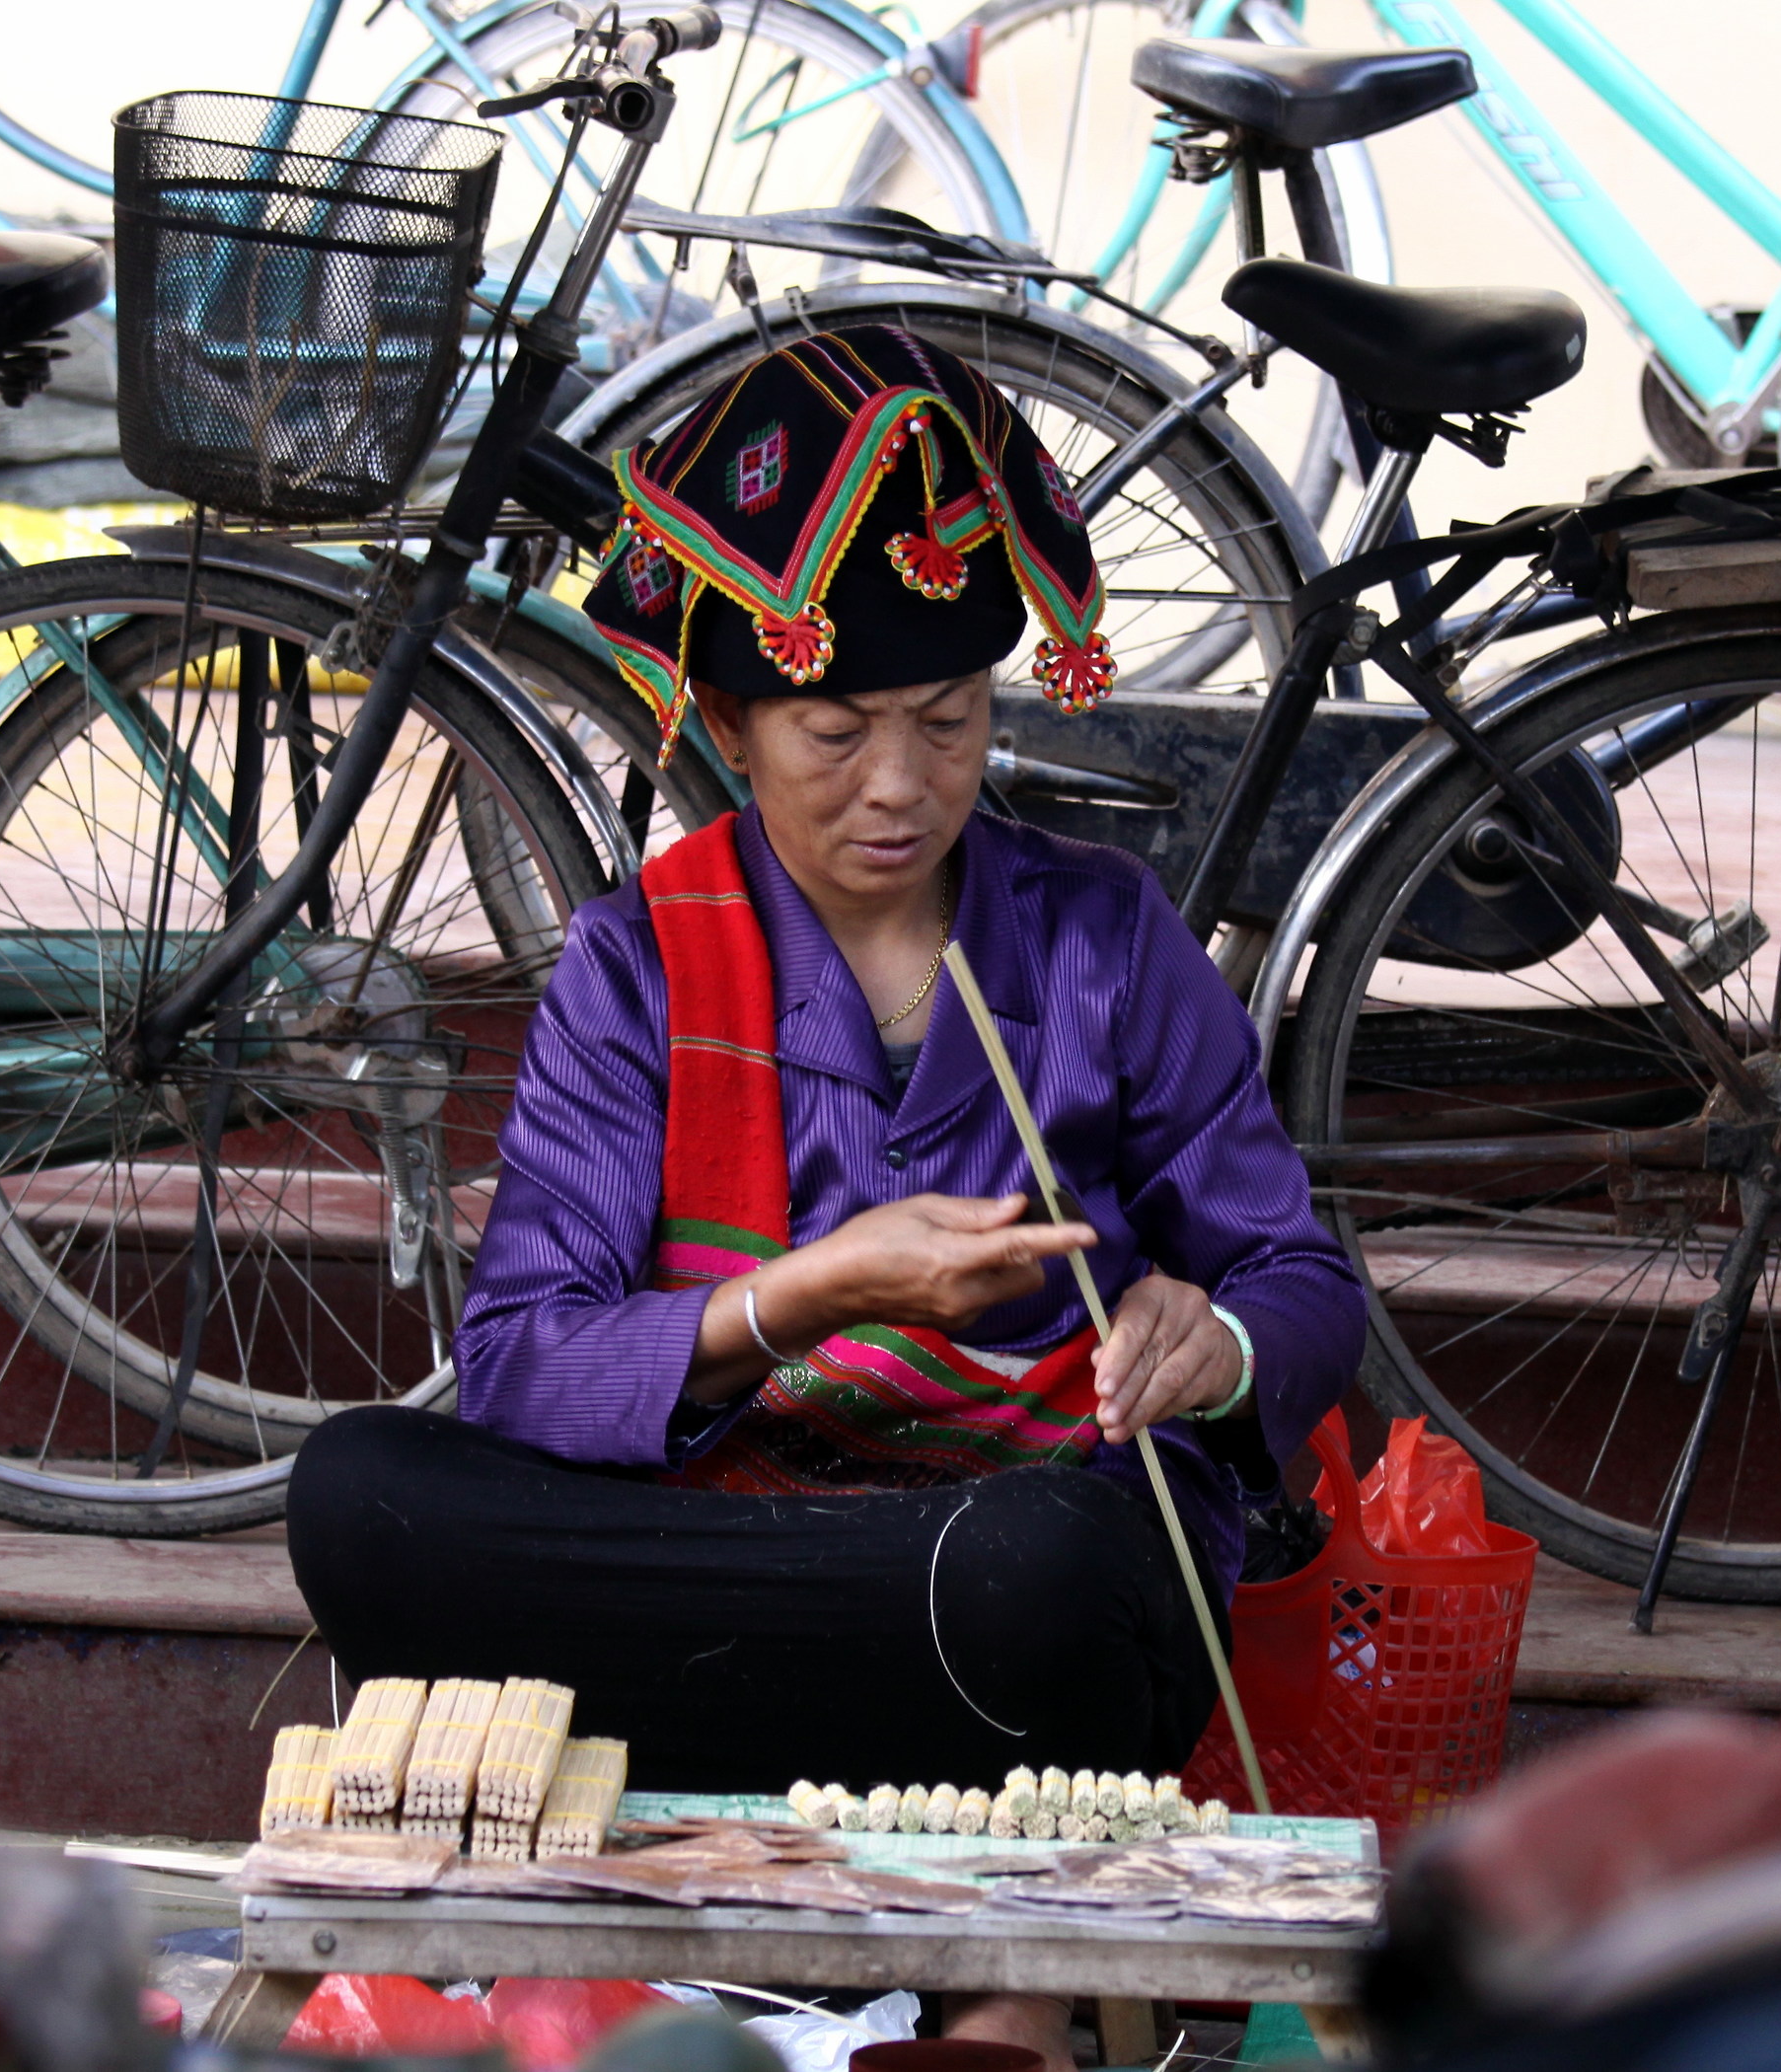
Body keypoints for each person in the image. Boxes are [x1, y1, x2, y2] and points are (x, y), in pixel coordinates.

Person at [286, 327, 1364, 2068]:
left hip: (992, 1574)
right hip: (719, 1542)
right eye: (835, 727)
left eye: (947, 724)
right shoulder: (640, 959)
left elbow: (1297, 1274)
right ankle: (908, 1954)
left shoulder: (1097, 936)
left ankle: (988, 1995)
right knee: (364, 1493)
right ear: (727, 720)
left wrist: (1217, 1344)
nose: (898, 784)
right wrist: (806, 1296)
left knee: (1075, 1559)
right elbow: (520, 1361)